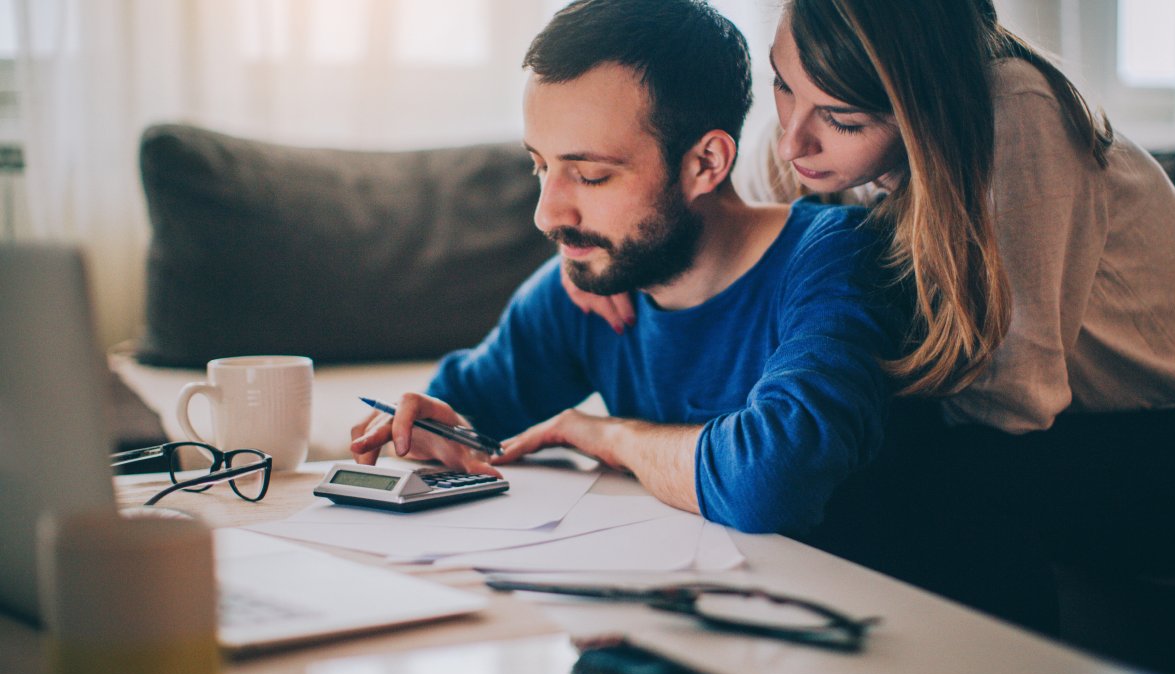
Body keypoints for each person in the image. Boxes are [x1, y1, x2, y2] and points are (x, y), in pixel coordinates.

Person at [563, 0, 1175, 635]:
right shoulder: (818, 113)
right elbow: (723, 213)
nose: (793, 141)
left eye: (842, 120)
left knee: (894, 468)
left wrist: (806, 408)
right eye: (783, 85)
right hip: (1080, 423)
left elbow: (1016, 400)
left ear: (922, 103)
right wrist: (602, 248)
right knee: (820, 440)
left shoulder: (1015, 116)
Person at [349, 0, 904, 536]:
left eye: (590, 175)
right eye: (540, 166)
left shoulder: (837, 260)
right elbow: (464, 414)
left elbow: (771, 484)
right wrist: (425, 426)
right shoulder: (590, 283)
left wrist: (608, 436)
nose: (547, 215)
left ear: (705, 163)